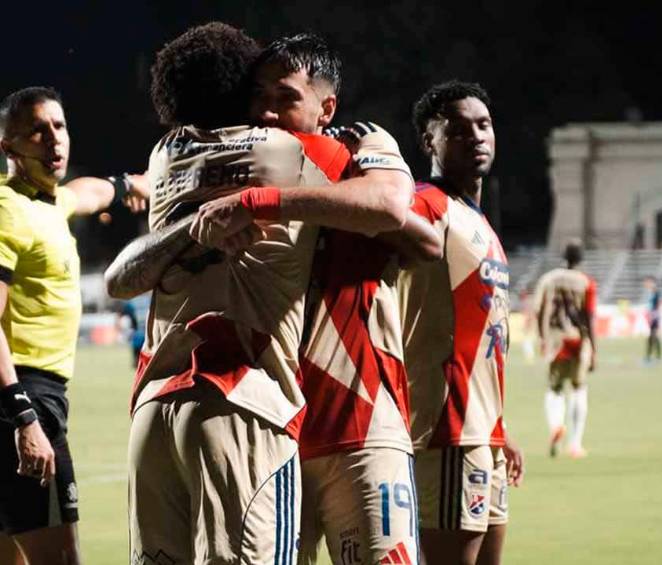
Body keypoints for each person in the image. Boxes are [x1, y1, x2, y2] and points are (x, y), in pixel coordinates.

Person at [104, 24, 433, 564]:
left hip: (335, 411)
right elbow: (401, 216)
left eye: (284, 98)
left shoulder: (170, 157)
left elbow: (417, 233)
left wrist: (251, 204)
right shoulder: (304, 154)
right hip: (257, 405)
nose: (268, 112)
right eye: (257, 96)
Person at [0, 87, 147, 565]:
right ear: (10, 148)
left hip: (28, 398)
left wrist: (128, 184)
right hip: (23, 397)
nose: (53, 140)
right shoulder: (7, 210)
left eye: (59, 127)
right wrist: (23, 417)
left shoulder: (49, 202)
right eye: (38, 131)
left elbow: (87, 193)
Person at [397, 80, 524, 565]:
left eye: (484, 124)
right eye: (459, 128)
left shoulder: (480, 223)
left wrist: (501, 426)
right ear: (430, 141)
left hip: (483, 430)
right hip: (447, 430)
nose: (477, 135)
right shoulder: (424, 203)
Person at [534, 239, 596, 459]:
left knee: (554, 388)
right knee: (579, 388)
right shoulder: (585, 282)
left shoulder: (548, 279)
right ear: (580, 259)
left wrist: (542, 338)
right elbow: (588, 316)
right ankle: (575, 444)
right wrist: (593, 348)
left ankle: (556, 425)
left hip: (555, 340)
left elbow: (539, 309)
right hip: (578, 340)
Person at [643, 275, 662, 365]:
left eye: (647, 282)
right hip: (652, 317)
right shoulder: (650, 292)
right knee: (652, 337)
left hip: (655, 317)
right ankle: (651, 356)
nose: (645, 284)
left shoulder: (655, 292)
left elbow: (658, 305)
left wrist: (654, 315)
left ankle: (655, 356)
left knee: (653, 336)